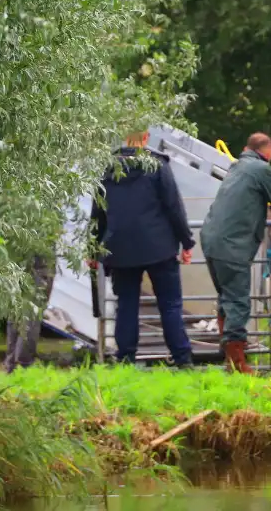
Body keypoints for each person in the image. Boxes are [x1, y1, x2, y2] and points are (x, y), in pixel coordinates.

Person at [90, 131, 195, 368]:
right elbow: (174, 207)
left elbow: (98, 213)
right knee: (170, 305)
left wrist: (92, 248)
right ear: (146, 137)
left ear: (126, 137)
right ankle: (182, 359)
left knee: (126, 304)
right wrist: (186, 242)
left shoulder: (108, 168)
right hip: (159, 246)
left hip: (120, 249)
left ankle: (125, 359)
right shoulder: (157, 165)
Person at [201, 133, 271, 374]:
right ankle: (236, 363)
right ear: (268, 153)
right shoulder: (261, 169)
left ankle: (228, 355)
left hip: (210, 240)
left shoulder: (237, 166)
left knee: (226, 298)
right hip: (232, 245)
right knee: (238, 301)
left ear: (245, 148)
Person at [4, 254, 55, 373]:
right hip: (35, 271)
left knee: (15, 317)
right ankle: (23, 363)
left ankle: (11, 364)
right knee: (30, 320)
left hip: (15, 269)